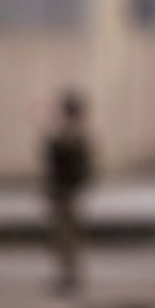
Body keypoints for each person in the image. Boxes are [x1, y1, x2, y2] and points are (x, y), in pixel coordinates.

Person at [43, 91, 93, 293]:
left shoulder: (73, 135)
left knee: (67, 235)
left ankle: (69, 275)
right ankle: (66, 273)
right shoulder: (70, 134)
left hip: (67, 191)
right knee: (62, 235)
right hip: (63, 190)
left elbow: (62, 156)